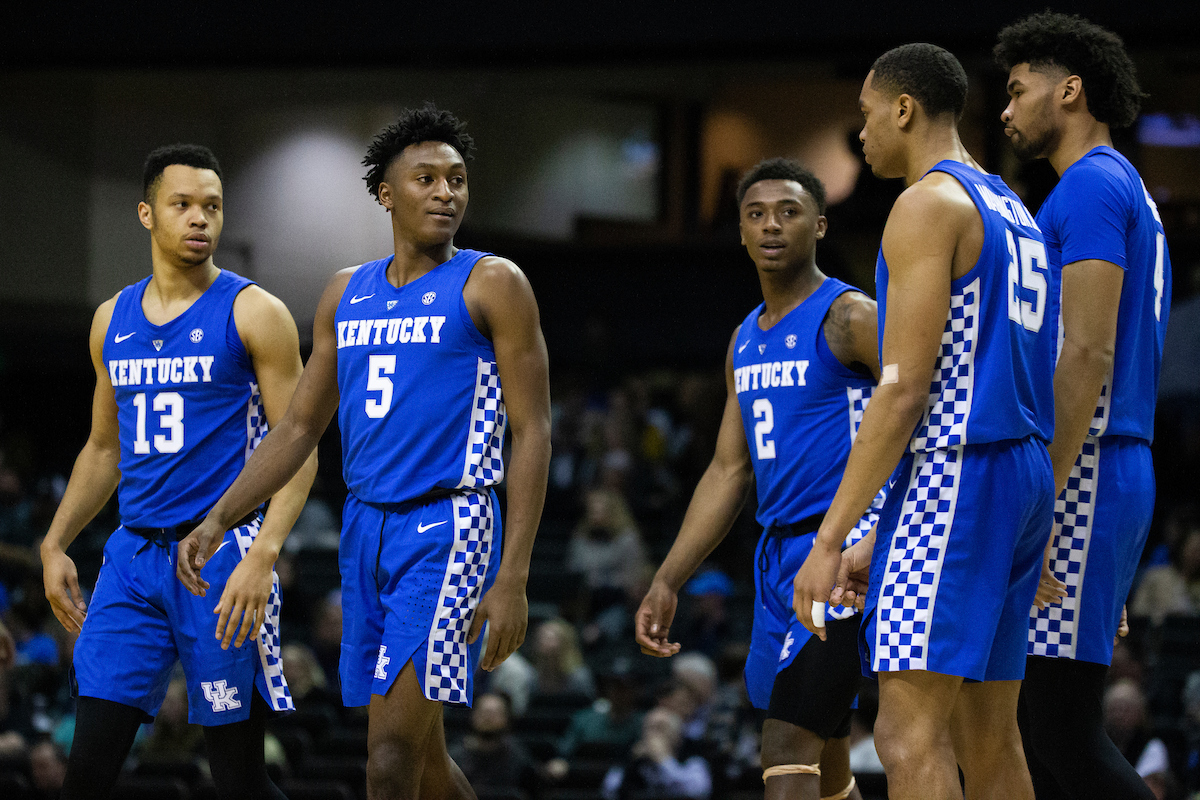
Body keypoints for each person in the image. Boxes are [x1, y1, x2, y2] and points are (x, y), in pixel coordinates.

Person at [176, 104, 552, 800]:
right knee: (424, 762)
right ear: (386, 194)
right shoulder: (345, 292)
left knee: (387, 760)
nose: (446, 193)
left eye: (457, 179)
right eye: (427, 179)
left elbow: (532, 431)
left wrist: (513, 574)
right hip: (366, 528)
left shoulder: (493, 283)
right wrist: (220, 516)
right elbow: (297, 427)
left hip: (451, 524)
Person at [792, 43, 1057, 800]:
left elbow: (905, 390)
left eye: (867, 114)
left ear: (904, 109)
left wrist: (829, 539)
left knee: (905, 735)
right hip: (1019, 474)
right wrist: (884, 530)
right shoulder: (1013, 208)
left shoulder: (926, 204)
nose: (862, 132)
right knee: (989, 737)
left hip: (959, 471)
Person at [39, 144, 316, 799]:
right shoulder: (111, 319)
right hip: (132, 560)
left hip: (219, 554)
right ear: (146, 214)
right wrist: (54, 543)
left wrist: (265, 553)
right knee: (86, 775)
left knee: (238, 779)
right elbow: (103, 449)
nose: (200, 218)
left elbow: (298, 446)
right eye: (183, 205)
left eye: (212, 206)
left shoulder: (255, 312)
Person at [636, 157, 883, 800]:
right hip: (776, 560)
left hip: (843, 552)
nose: (771, 225)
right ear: (742, 232)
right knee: (828, 766)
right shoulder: (744, 339)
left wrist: (886, 527)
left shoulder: (851, 316)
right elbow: (728, 470)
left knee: (785, 746)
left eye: (788, 212)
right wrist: (668, 578)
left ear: (820, 226)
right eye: (756, 214)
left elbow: (924, 401)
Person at [995, 12, 1174, 799]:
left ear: (1068, 91)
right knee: (1036, 733)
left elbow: (1088, 351)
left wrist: (1043, 491)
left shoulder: (1093, 185)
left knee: (1059, 732)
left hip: (1087, 464)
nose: (1006, 110)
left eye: (1016, 90)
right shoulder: (1118, 184)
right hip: (1106, 465)